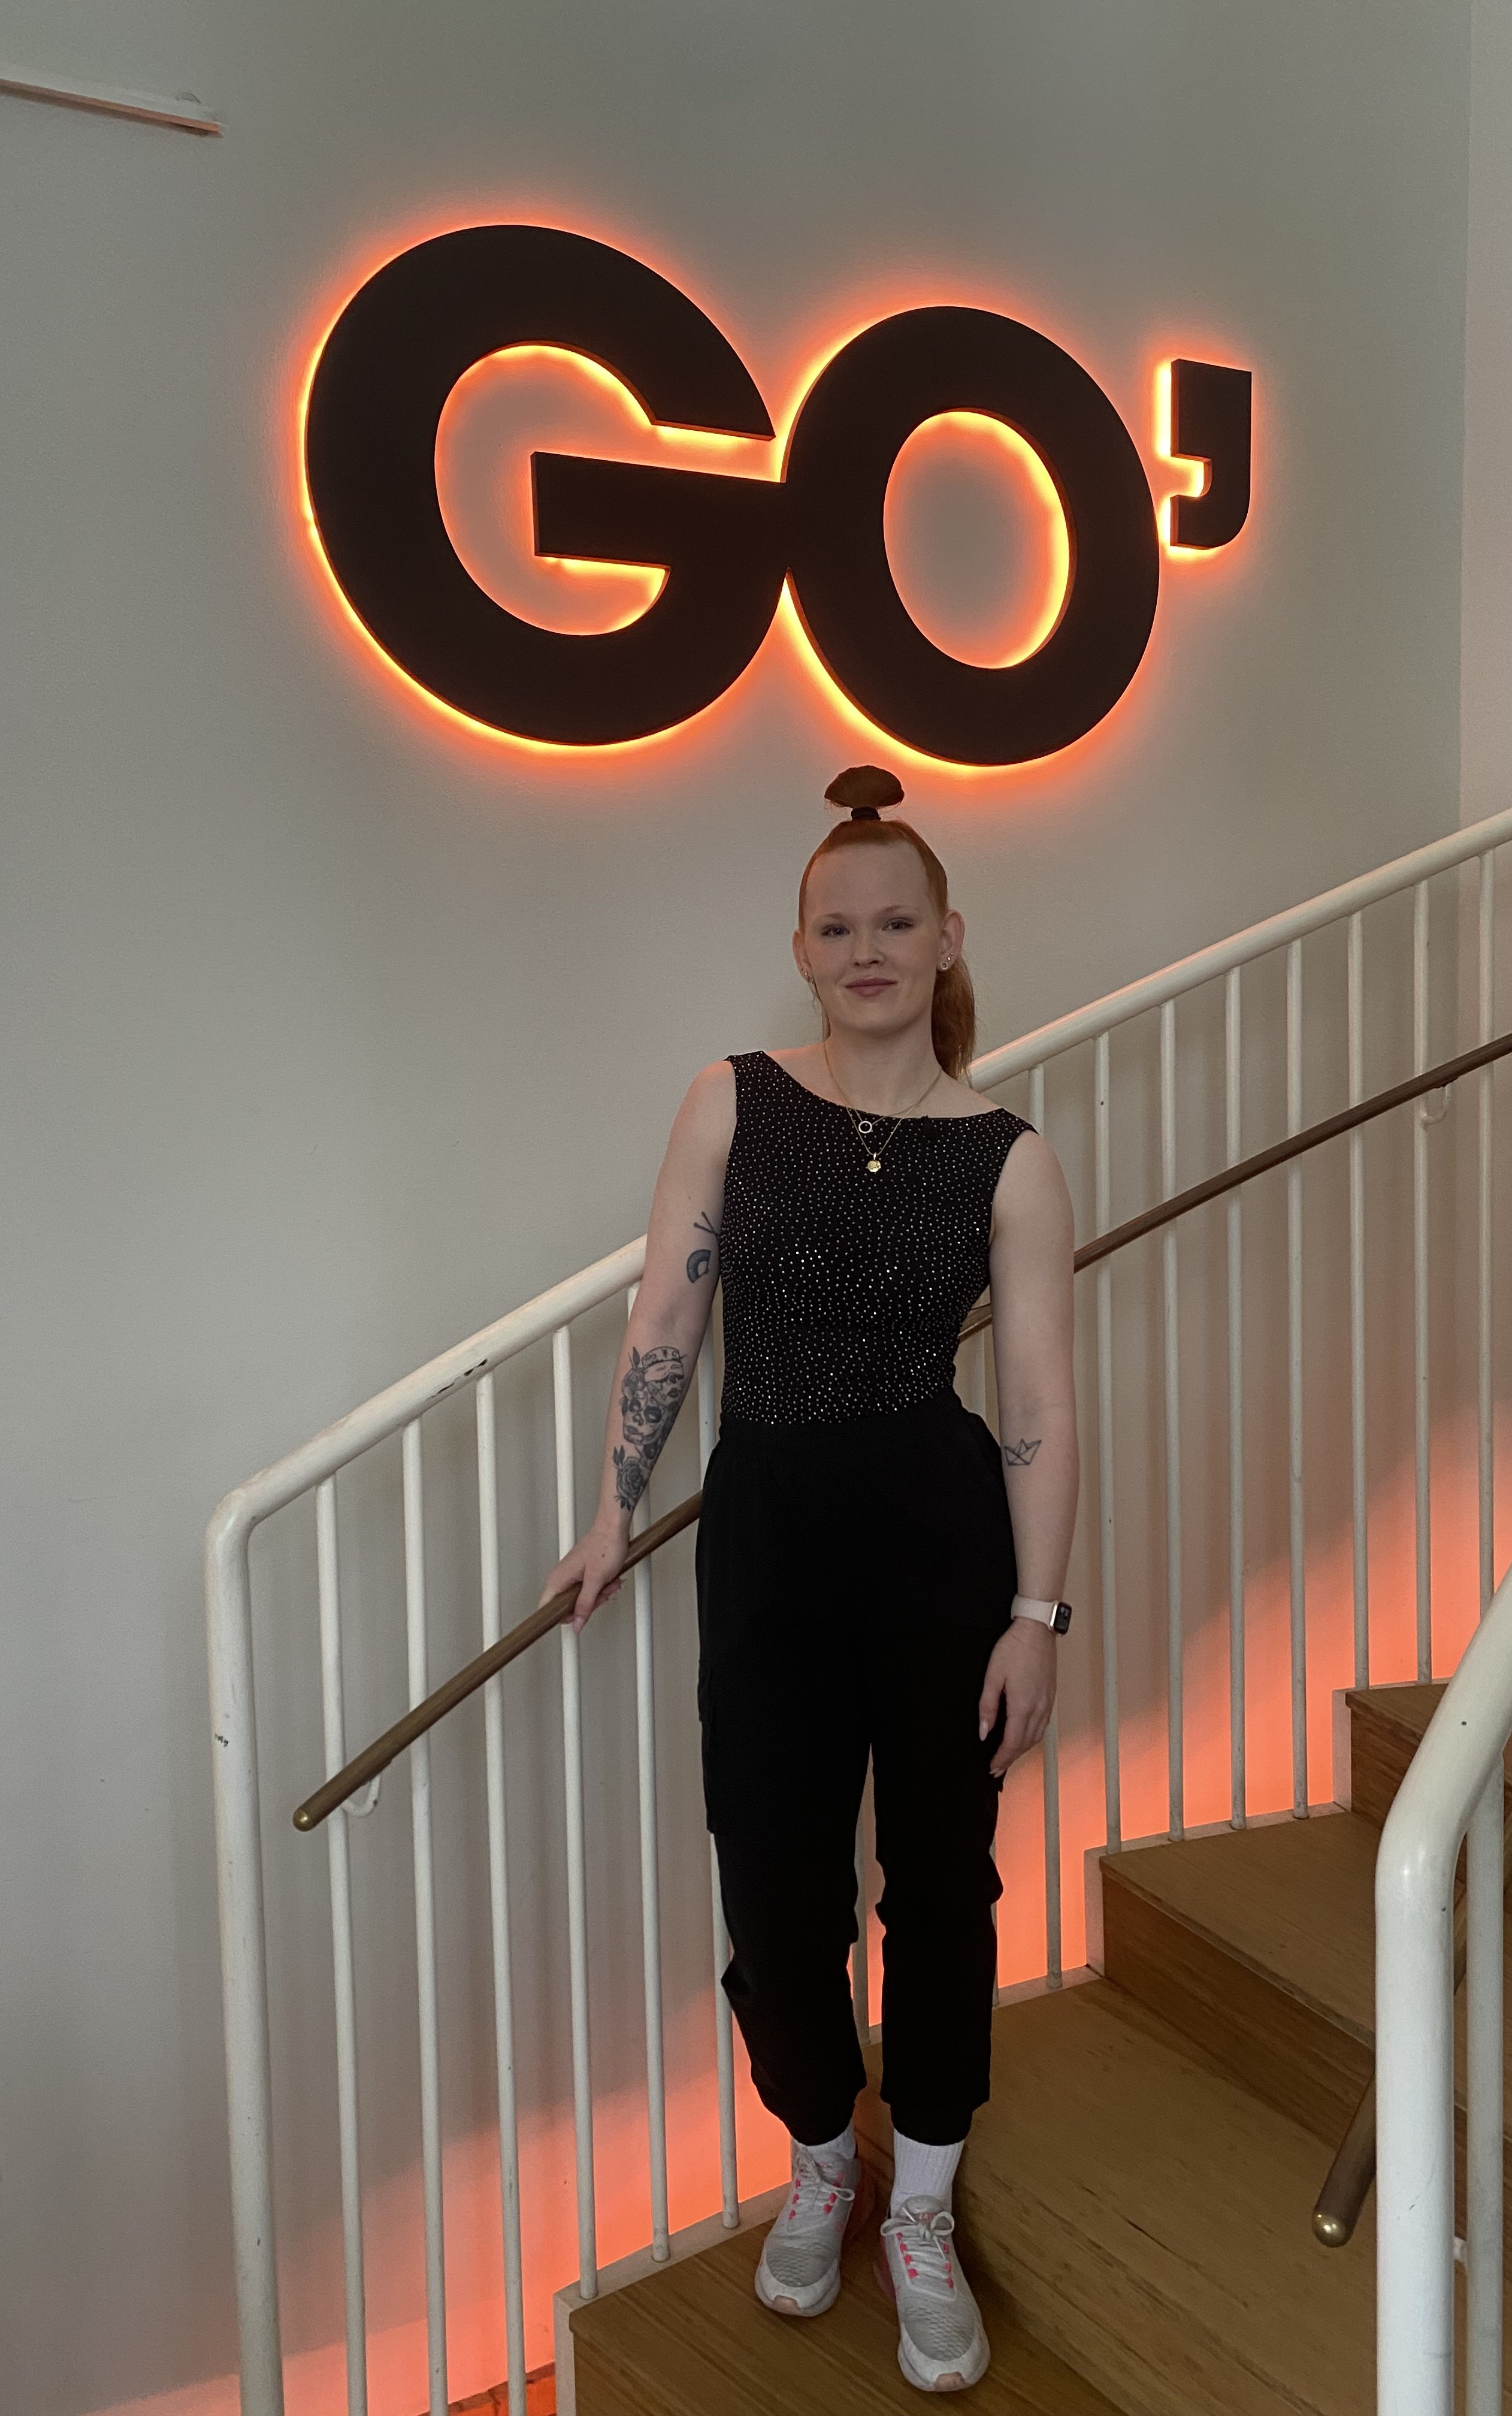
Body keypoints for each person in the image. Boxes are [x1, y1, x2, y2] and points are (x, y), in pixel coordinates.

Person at [546, 763, 1078, 2394]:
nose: (867, 951)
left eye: (896, 924)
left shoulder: (1008, 1155)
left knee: (943, 1885)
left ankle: (922, 2202)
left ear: (946, 938)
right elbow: (667, 1317)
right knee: (776, 1883)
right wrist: (613, 1512)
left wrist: (1036, 1617)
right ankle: (823, 2157)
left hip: (938, 1541)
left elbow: (1042, 1403)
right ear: (802, 947)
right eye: (838, 927)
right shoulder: (735, 1099)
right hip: (768, 1532)